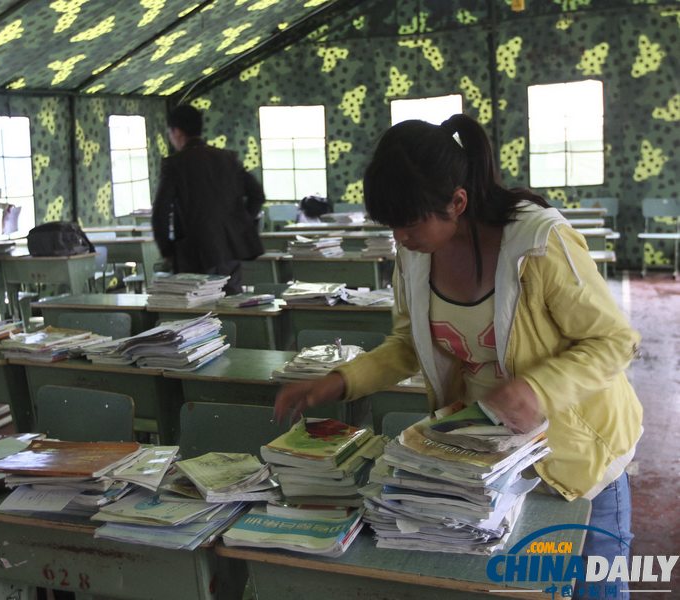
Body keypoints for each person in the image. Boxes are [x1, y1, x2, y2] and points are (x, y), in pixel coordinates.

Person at [274, 114, 642, 599]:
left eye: (409, 224)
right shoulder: (416, 255)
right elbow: (409, 345)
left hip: (576, 458)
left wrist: (537, 388)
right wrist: (340, 381)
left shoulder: (538, 243)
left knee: (589, 589)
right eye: (392, 227)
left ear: (458, 202)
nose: (400, 239)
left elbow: (614, 341)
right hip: (489, 463)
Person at [152, 104, 265, 295]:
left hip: (193, 253)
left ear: (177, 132)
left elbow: (160, 213)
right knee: (231, 305)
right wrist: (240, 225)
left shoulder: (175, 164)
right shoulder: (227, 158)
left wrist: (168, 251)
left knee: (201, 315)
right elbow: (257, 195)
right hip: (229, 249)